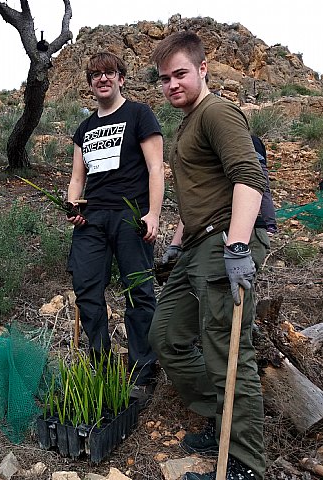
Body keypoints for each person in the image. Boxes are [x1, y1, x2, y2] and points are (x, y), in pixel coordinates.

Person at [148, 32, 269, 480]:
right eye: (164, 78)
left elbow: (248, 177)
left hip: (224, 242)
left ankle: (244, 463)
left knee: (228, 351)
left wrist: (238, 246)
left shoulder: (217, 112)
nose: (172, 84)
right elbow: (196, 192)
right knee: (166, 336)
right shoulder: (190, 121)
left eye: (180, 73)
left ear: (202, 69)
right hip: (197, 244)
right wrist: (177, 243)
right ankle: (222, 419)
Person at [66, 52, 164, 405]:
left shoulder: (139, 114)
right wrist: (72, 205)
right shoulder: (85, 128)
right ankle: (102, 365)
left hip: (130, 214)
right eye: (96, 74)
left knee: (138, 292)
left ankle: (143, 369)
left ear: (122, 78)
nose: (102, 79)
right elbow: (78, 177)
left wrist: (153, 213)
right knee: (87, 290)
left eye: (109, 73)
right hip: (93, 219)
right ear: (90, 83)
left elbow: (156, 168)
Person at [251, 135, 277, 235]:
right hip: (261, 166)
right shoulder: (256, 139)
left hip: (246, 165)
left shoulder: (238, 138)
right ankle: (270, 225)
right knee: (265, 193)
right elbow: (264, 157)